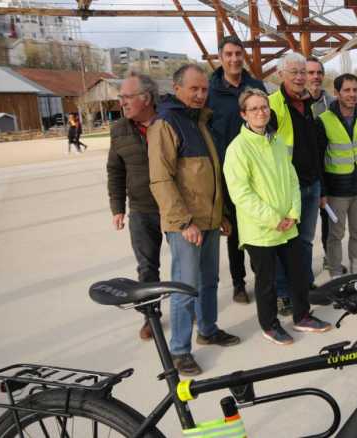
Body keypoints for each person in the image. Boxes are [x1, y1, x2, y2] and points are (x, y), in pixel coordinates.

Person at [148, 64, 240, 376]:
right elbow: (161, 180)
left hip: (210, 219)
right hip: (186, 224)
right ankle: (179, 351)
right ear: (178, 89)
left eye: (204, 89)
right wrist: (183, 222)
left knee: (210, 280)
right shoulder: (166, 123)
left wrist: (222, 213)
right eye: (194, 89)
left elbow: (212, 173)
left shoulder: (201, 121)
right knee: (185, 287)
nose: (201, 95)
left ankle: (209, 329)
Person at [223, 88, 332, 345]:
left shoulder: (278, 142)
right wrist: (274, 219)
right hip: (261, 230)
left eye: (264, 107)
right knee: (267, 281)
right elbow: (241, 194)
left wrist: (294, 213)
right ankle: (270, 325)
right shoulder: (237, 149)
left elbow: (292, 180)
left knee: (298, 272)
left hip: (288, 224)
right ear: (243, 114)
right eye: (254, 108)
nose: (261, 112)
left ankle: (302, 315)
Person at [207, 35, 267, 305]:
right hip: (227, 171)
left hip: (256, 168)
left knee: (257, 225)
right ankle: (239, 282)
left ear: (244, 56)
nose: (234, 59)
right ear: (220, 57)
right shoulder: (210, 91)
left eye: (238, 54)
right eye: (228, 54)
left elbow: (267, 118)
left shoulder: (255, 85)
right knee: (234, 232)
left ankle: (262, 275)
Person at [107, 72, 164, 340]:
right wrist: (117, 207)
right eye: (121, 98)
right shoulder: (119, 130)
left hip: (174, 209)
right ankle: (150, 317)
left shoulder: (169, 121)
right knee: (146, 268)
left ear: (146, 98)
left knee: (186, 266)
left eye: (127, 97)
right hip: (141, 210)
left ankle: (189, 308)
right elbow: (115, 170)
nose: (123, 103)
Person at [268, 52, 326, 315]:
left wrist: (321, 186)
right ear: (281, 75)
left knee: (304, 241)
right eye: (295, 72)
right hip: (285, 189)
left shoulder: (312, 104)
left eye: (303, 72)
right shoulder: (272, 106)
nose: (301, 77)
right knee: (282, 243)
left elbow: (317, 147)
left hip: (312, 184)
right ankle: (283, 293)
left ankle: (303, 284)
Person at [318, 74, 357, 276]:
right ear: (336, 93)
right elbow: (319, 159)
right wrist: (322, 191)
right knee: (336, 235)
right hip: (337, 190)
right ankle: (335, 273)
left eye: (355, 90)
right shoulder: (324, 120)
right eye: (347, 90)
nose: (352, 94)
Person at [305, 55, 342, 273]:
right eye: (310, 73)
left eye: (319, 72)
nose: (315, 77)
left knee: (329, 220)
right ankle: (304, 269)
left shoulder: (332, 104)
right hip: (303, 173)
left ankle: (330, 257)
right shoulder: (295, 103)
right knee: (304, 226)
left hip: (328, 171)